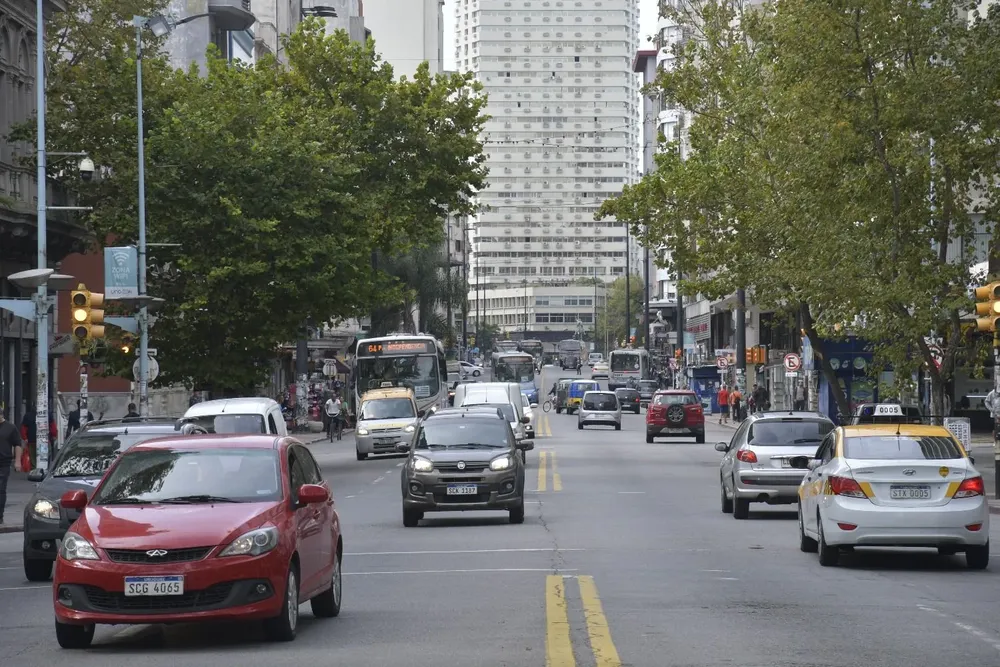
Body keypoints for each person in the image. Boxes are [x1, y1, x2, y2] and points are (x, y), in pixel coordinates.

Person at [0, 407, 24, 528]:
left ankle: (0, 516)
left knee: (1, 489)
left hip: (3, 463)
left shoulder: (10, 428)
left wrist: (18, 461)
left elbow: (17, 444)